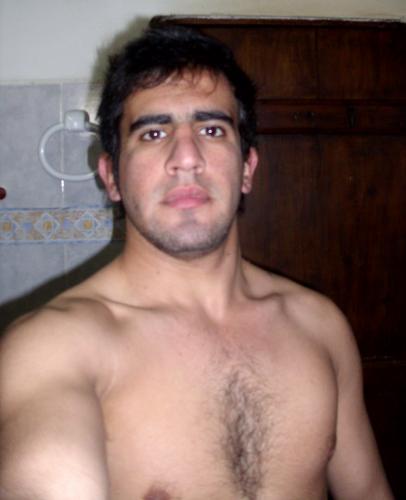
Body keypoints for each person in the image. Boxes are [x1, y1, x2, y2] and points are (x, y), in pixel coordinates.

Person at [0, 25, 393, 500]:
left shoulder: (320, 327)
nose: (186, 158)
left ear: (247, 168)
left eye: (211, 130)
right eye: (153, 132)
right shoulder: (51, 348)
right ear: (112, 177)